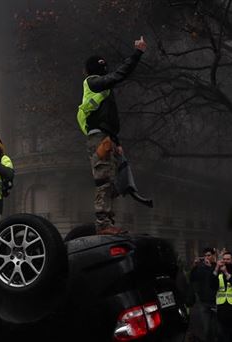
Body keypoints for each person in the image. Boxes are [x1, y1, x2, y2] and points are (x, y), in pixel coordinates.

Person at [77, 36, 151, 235]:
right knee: (103, 180)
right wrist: (137, 53)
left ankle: (108, 221)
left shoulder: (102, 90)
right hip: (99, 139)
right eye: (101, 66)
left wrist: (116, 142)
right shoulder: (92, 83)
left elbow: (107, 119)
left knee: (111, 180)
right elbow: (118, 75)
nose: (105, 69)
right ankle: (103, 225)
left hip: (106, 138)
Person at [188, 247, 218, 342]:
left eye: (209, 255)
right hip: (204, 302)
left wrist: (210, 267)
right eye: (205, 255)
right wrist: (195, 266)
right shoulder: (200, 267)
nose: (206, 257)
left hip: (216, 302)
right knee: (207, 328)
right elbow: (192, 278)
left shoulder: (217, 266)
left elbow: (215, 280)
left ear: (213, 256)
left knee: (216, 328)